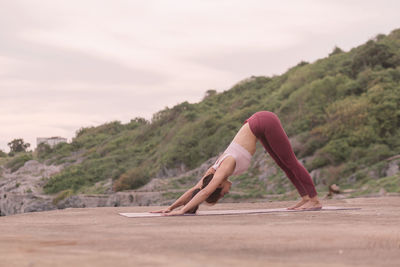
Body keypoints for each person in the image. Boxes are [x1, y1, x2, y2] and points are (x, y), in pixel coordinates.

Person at [151, 111, 322, 216]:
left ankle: (314, 200)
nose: (227, 192)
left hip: (263, 122)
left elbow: (204, 193)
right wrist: (170, 208)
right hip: (258, 126)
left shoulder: (221, 170)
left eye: (223, 193)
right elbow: (195, 190)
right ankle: (305, 198)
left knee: (290, 161)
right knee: (284, 164)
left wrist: (181, 211)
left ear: (218, 186)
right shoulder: (212, 172)